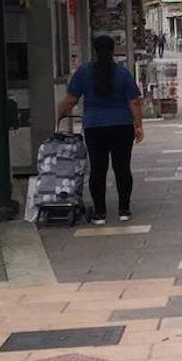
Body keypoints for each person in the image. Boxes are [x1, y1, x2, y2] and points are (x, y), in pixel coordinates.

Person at [58, 34, 144, 224]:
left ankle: (100, 213)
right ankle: (124, 209)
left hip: (94, 127)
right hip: (122, 126)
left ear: (94, 51)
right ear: (113, 51)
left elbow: (71, 100)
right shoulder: (122, 73)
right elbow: (134, 102)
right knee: (122, 168)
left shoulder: (83, 72)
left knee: (98, 169)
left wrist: (59, 115)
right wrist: (139, 126)